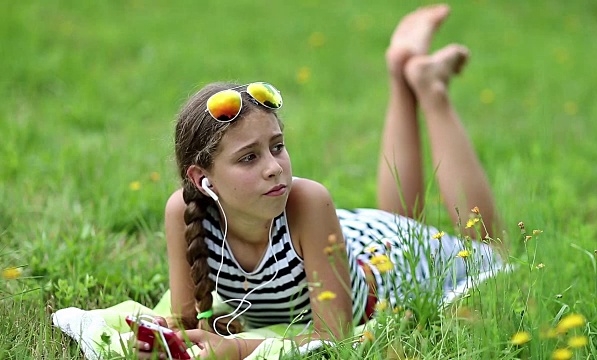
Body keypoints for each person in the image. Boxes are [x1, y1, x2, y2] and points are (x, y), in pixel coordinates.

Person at [136, 4, 506, 359]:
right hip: (351, 241)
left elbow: (335, 335)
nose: (274, 167)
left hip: (388, 262)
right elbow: (186, 322)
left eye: (277, 147)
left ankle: (432, 92)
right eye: (249, 157)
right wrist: (162, 335)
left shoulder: (306, 201)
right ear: (202, 180)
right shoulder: (185, 212)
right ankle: (405, 73)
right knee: (404, 216)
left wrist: (235, 349)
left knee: (490, 253)